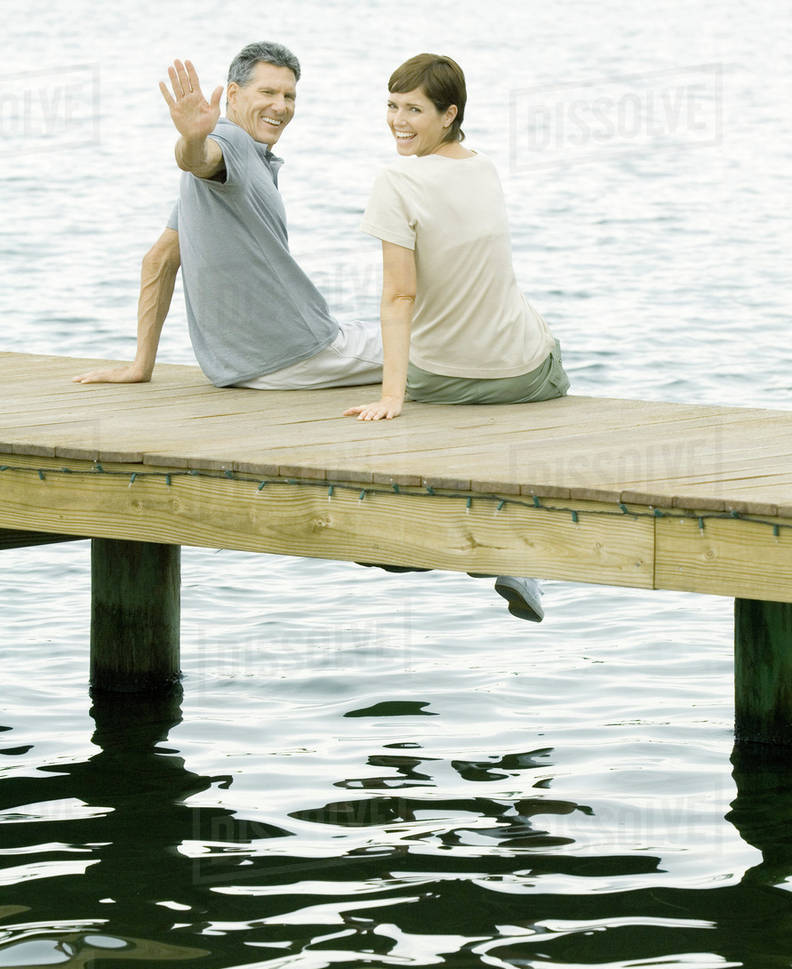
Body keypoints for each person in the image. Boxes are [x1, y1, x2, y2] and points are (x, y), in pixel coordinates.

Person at [344, 53, 570, 622]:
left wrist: (392, 396)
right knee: (536, 343)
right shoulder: (485, 167)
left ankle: (426, 544)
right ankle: (508, 551)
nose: (398, 120)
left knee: (370, 370)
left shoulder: (395, 180)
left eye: (413, 109)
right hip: (524, 375)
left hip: (438, 379)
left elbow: (399, 296)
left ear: (449, 114)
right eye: (392, 106)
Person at [74, 43, 382, 390]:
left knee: (398, 328)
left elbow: (158, 260)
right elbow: (198, 158)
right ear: (233, 95)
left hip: (241, 366)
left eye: (289, 96)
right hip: (298, 353)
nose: (280, 106)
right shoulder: (230, 141)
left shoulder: (219, 176)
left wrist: (141, 366)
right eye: (267, 92)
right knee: (433, 345)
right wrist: (192, 138)